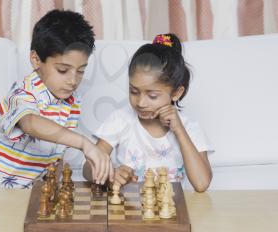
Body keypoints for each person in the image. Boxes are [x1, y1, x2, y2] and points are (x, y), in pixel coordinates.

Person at [0, 9, 113, 189]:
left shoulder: (71, 102)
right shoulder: (22, 93)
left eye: (80, 71)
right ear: (35, 59)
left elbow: (56, 151)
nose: (73, 80)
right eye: (63, 70)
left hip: (25, 198)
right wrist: (84, 144)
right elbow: (30, 124)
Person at [83, 34, 213, 192]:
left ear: (176, 93)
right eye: (134, 91)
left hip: (172, 212)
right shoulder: (121, 119)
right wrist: (110, 174)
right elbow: (87, 169)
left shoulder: (190, 128)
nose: (141, 103)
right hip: (128, 212)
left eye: (152, 96)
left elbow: (201, 184)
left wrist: (179, 130)